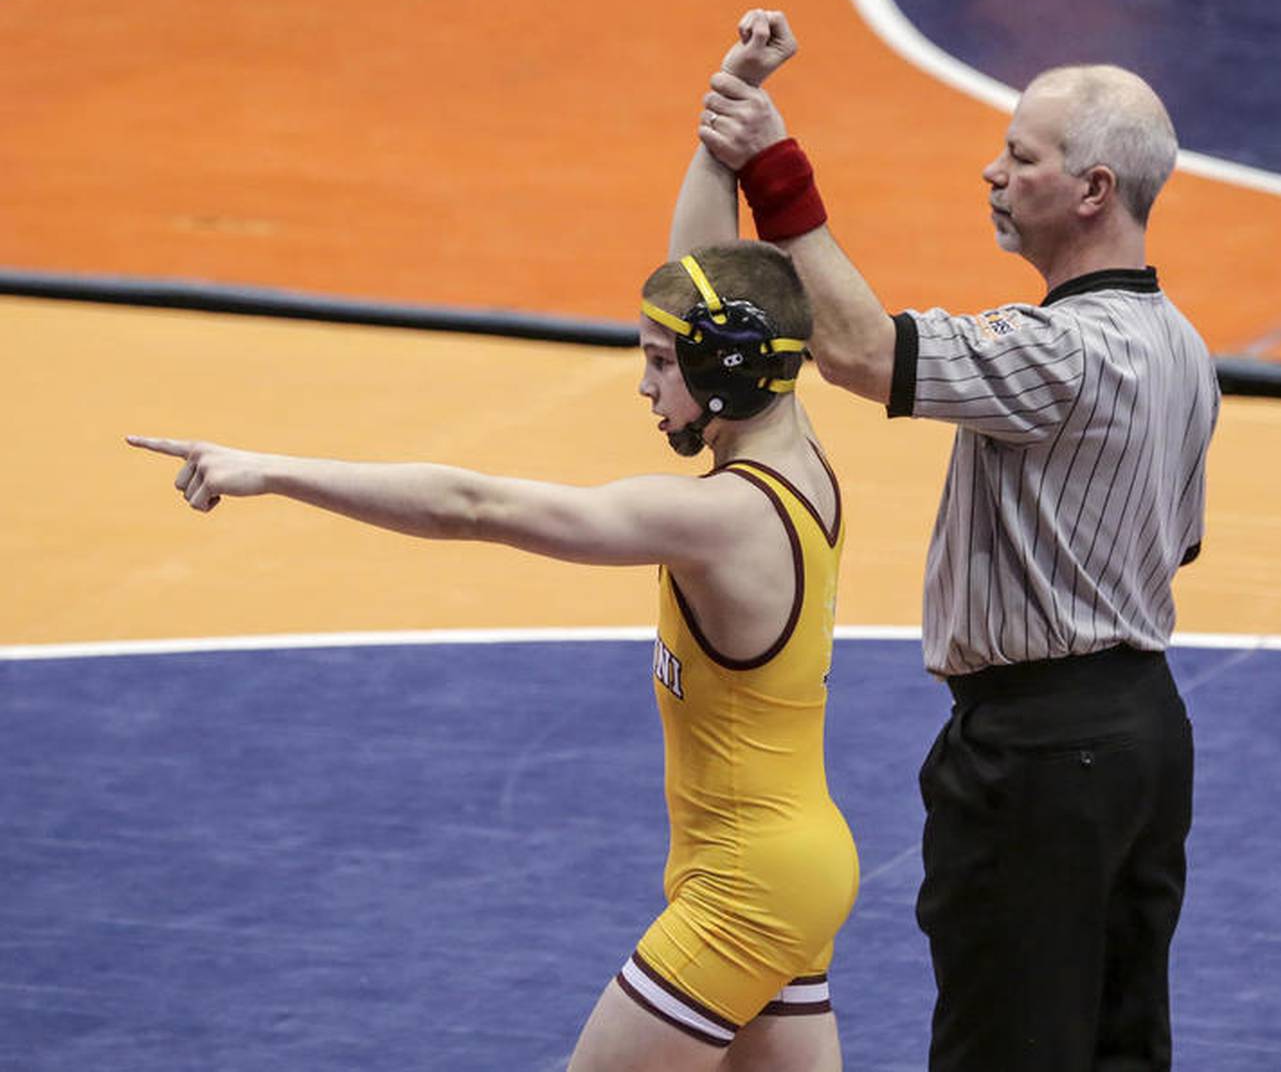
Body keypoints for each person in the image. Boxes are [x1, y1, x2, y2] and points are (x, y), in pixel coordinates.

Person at [127, 124, 861, 1068]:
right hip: (793, 866)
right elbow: (706, 278)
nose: (643, 386)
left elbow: (474, 507)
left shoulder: (717, 519)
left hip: (746, 889)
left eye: (658, 362)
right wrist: (721, 138)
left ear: (724, 368)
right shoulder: (804, 462)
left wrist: (272, 469)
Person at [697, 10, 1219, 1072]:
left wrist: (774, 168)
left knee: (1003, 1045)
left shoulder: (1060, 350)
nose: (992, 172)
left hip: (1040, 755)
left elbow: (856, 350)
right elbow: (1177, 543)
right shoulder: (1185, 347)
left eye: (1020, 157)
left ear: (1094, 190)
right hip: (1147, 736)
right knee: (1120, 1043)